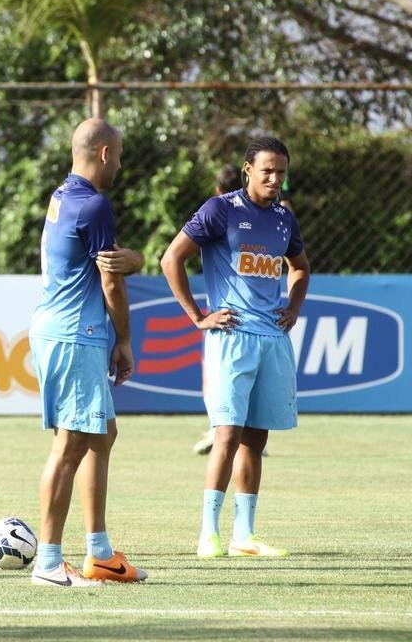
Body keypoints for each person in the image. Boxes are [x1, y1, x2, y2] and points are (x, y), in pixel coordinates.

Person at [159, 136, 310, 559]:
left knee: (255, 440)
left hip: (272, 339)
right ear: (248, 170)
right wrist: (197, 315)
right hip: (231, 339)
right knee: (225, 435)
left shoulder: (284, 218)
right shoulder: (221, 210)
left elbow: (300, 267)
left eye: (281, 171)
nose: (275, 178)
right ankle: (208, 533)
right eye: (267, 170)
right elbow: (172, 259)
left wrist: (293, 306)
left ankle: (245, 535)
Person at [29, 118, 148, 588]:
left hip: (61, 328)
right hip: (77, 332)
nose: (119, 163)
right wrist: (124, 340)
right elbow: (111, 279)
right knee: (71, 444)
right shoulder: (95, 204)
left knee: (102, 434)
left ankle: (99, 553)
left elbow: (116, 259)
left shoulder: (64, 196)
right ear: (103, 154)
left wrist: (133, 258)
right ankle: (49, 563)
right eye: (117, 155)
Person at [192, 164, 243, 455]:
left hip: (221, 315)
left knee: (212, 376)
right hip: (257, 315)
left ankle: (217, 429)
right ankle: (243, 435)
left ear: (218, 191)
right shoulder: (264, 216)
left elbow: (174, 256)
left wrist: (199, 318)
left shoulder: (217, 214)